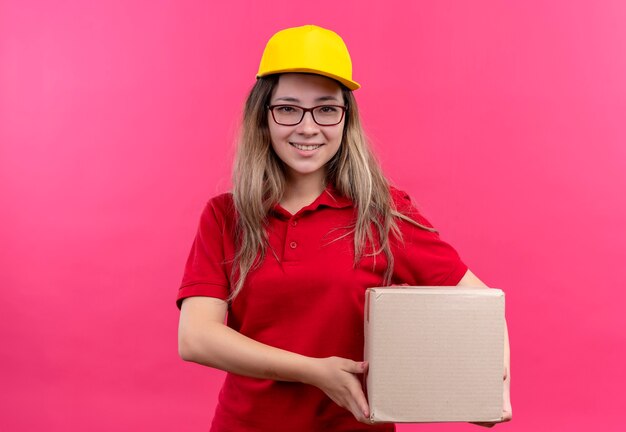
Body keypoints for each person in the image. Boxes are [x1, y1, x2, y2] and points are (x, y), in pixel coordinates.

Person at [176, 24, 512, 432]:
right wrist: (315, 371)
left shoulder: (381, 212)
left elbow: (481, 308)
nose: (307, 126)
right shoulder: (226, 216)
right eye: (287, 108)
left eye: (326, 108)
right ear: (262, 118)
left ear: (345, 119)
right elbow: (196, 338)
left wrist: (490, 392)